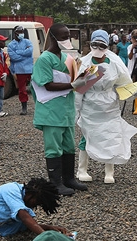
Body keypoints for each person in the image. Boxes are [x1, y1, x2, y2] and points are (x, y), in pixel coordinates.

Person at [32, 23, 89, 196]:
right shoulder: (44, 59)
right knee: (54, 147)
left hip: (65, 110)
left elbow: (74, 78)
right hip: (51, 111)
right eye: (63, 36)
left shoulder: (66, 58)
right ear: (53, 37)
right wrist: (72, 84)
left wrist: (84, 75)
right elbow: (47, 85)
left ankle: (68, 179)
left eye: (68, 36)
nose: (67, 39)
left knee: (68, 146)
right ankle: (55, 182)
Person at [75, 30, 137, 184]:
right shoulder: (84, 62)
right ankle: (81, 169)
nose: (98, 51)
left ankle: (109, 172)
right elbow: (78, 90)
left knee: (111, 135)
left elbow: (125, 84)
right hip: (90, 104)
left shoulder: (115, 62)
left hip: (109, 104)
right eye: (94, 46)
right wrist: (75, 111)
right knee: (87, 135)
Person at [7, 26, 34, 116]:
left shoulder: (27, 41)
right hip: (19, 70)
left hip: (30, 69)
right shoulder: (11, 45)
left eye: (22, 31)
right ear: (15, 33)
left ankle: (39, 105)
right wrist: (25, 55)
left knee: (36, 88)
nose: (22, 33)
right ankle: (24, 108)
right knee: (22, 90)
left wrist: (18, 52)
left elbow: (30, 52)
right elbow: (13, 57)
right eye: (19, 32)